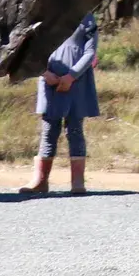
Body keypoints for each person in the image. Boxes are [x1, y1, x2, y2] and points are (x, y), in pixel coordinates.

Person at [23, 12, 99, 195]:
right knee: (49, 130)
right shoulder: (44, 14)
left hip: (77, 82)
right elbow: (31, 49)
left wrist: (71, 76)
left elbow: (90, 52)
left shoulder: (87, 18)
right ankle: (40, 181)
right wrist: (44, 73)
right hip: (50, 80)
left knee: (75, 130)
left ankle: (78, 182)